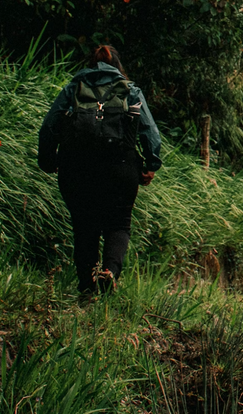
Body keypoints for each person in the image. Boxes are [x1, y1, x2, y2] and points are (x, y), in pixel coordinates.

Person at [38, 45, 162, 295]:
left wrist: (48, 160)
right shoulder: (131, 91)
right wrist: (151, 165)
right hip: (120, 168)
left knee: (84, 225)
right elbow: (150, 132)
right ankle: (109, 271)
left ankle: (86, 288)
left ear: (91, 65)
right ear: (118, 67)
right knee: (119, 223)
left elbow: (49, 126)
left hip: (76, 168)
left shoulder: (74, 88)